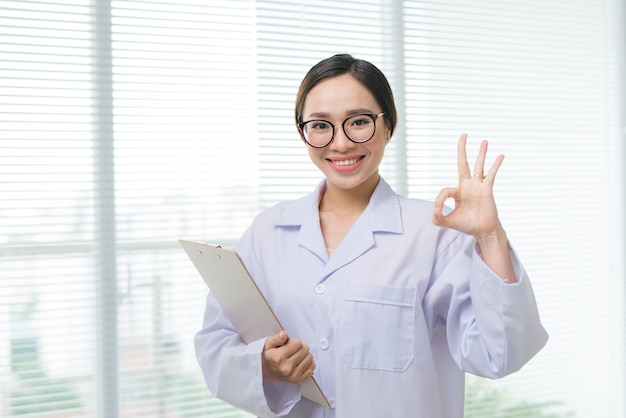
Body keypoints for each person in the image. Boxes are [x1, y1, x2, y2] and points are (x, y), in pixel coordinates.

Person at [194, 53, 548, 418]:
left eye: (359, 122)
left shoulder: (435, 234)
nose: (341, 143)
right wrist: (264, 364)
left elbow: (501, 353)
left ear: (389, 126)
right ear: (302, 133)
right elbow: (215, 344)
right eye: (320, 125)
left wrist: (490, 236)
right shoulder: (267, 233)